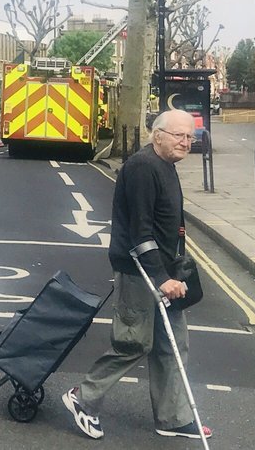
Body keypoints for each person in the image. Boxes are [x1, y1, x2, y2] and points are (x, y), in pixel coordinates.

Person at [62, 109, 213, 442]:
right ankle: (82, 399)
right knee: (133, 343)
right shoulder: (143, 168)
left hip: (166, 273)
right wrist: (161, 278)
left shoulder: (165, 166)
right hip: (141, 272)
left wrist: (176, 271)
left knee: (173, 347)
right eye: (179, 135)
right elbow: (140, 231)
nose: (186, 142)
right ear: (157, 134)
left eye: (190, 137)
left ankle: (173, 418)